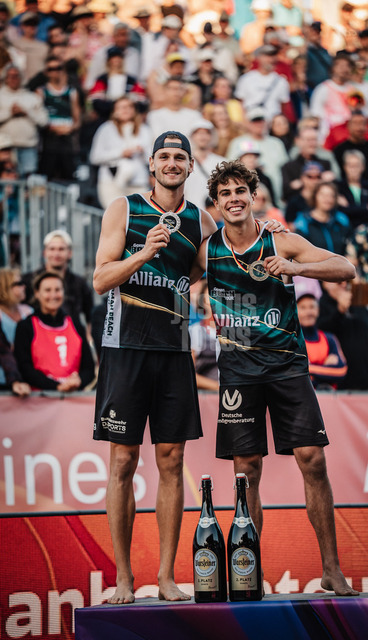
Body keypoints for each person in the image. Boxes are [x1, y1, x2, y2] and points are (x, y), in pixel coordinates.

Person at [190, 159, 358, 597]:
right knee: (246, 472)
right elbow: (177, 277)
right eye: (225, 193)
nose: (233, 199)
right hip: (238, 372)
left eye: (240, 191)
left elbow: (345, 268)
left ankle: (331, 570)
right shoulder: (208, 250)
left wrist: (297, 268)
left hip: (287, 366)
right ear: (216, 204)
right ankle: (250, 575)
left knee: (313, 460)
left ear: (253, 196)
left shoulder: (278, 238)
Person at [92, 130, 218, 604]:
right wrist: (144, 252)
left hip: (173, 351)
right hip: (124, 348)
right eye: (164, 156)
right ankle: (124, 578)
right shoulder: (123, 209)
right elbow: (100, 278)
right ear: (151, 164)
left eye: (179, 157)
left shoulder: (201, 220)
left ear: (190, 167)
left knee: (172, 461)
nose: (171, 163)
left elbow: (211, 271)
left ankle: (166, 577)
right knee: (123, 460)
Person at [14, 271, 95, 391]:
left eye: (57, 290)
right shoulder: (25, 326)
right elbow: (24, 367)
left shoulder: (76, 326)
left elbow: (89, 368)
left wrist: (79, 381)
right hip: (38, 398)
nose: (53, 295)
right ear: (37, 293)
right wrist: (57, 386)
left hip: (72, 397)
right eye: (47, 290)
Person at [23, 229, 93, 328]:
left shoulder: (80, 283)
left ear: (70, 253)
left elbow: (90, 316)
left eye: (61, 249)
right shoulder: (28, 280)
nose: (56, 254)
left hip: (71, 335)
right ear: (44, 253)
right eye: (52, 249)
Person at [89, 96, 151, 209]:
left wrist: (142, 151)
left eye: (129, 107)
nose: (125, 110)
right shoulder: (106, 129)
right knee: (115, 214)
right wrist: (121, 153)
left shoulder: (144, 130)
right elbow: (95, 157)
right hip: (111, 181)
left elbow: (152, 158)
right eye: (121, 107)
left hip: (138, 183)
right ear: (114, 111)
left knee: (136, 216)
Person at [0, 63, 48, 177]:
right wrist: (10, 113)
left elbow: (44, 121)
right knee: (7, 179)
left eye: (16, 76)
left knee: (28, 180)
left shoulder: (32, 97)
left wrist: (27, 112)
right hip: (5, 150)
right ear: (5, 78)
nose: (13, 79)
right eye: (10, 76)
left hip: (28, 147)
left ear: (21, 78)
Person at [296, 291, 348, 389]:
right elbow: (292, 373)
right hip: (302, 396)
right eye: (303, 308)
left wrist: (307, 368)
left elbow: (341, 371)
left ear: (318, 310)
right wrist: (326, 369)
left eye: (312, 307)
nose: (308, 312)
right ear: (295, 311)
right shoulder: (292, 340)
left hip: (329, 396)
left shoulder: (329, 339)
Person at [294, 182, 352, 256]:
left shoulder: (341, 219)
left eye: (331, 195)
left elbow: (350, 242)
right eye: (323, 195)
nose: (327, 199)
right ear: (315, 196)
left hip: (341, 262)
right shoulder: (303, 221)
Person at [0, 267, 33, 388]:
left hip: (27, 376)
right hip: (4, 378)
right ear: (4, 288)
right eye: (18, 284)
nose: (24, 286)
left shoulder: (28, 312)